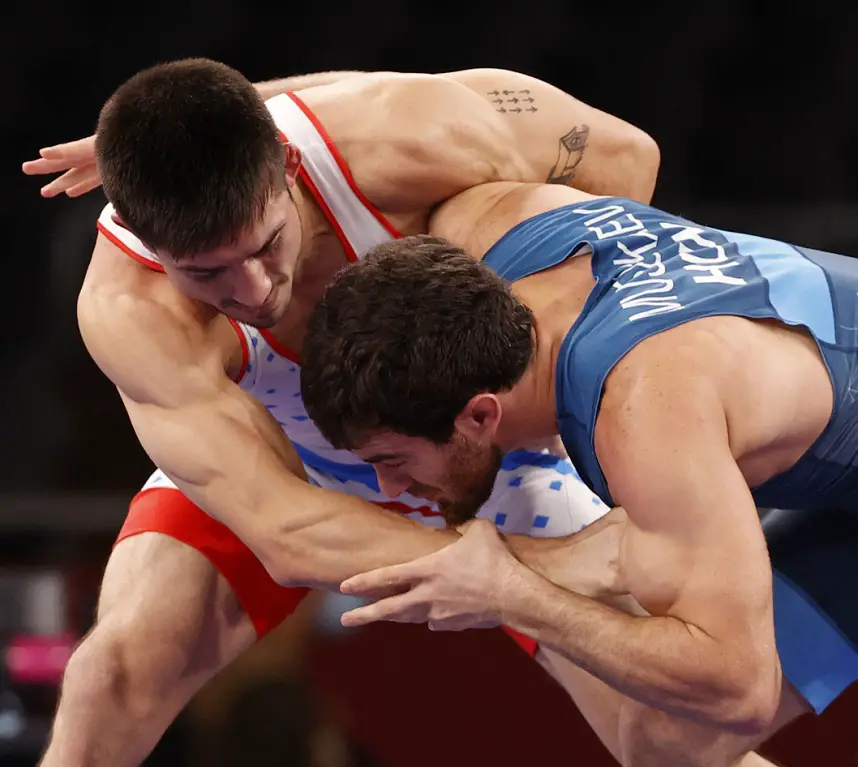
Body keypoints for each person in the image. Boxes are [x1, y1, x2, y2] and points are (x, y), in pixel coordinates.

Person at [23, 59, 666, 766]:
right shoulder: (130, 309)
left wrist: (542, 370)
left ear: (288, 165)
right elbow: (287, 530)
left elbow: (627, 161)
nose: (255, 290)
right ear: (148, 242)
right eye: (206, 273)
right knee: (110, 679)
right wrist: (541, 569)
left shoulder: (407, 135)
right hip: (289, 453)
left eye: (267, 243)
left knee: (671, 729)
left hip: (474, 442)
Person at [299, 181, 858, 765]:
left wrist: (512, 597)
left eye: (392, 461)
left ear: (480, 415)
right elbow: (627, 149)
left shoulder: (642, 409)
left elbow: (740, 688)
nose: (389, 487)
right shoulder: (512, 226)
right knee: (663, 746)